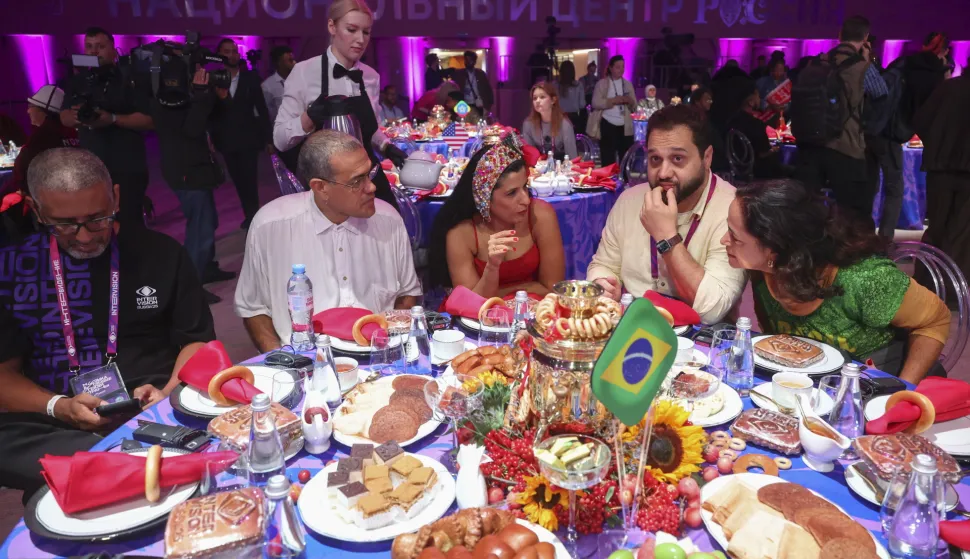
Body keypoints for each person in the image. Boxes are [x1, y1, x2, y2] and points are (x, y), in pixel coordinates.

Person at [0, 148, 215, 501]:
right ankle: (122, 462)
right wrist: (59, 406)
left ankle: (101, 467)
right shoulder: (9, 269)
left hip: (152, 411)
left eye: (98, 218)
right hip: (56, 420)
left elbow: (197, 341)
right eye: (65, 224)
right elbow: (3, 374)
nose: (85, 236)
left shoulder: (161, 253)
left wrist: (167, 392)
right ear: (36, 209)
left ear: (114, 196)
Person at [723, 180, 950, 383]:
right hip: (818, 384)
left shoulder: (863, 278)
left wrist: (904, 389)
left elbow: (936, 319)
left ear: (774, 248)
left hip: (877, 379)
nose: (724, 240)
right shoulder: (765, 270)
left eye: (734, 236)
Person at [235, 130, 421, 353]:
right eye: (356, 181)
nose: (371, 187)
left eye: (369, 174)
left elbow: (408, 294)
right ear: (320, 187)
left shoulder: (388, 220)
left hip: (377, 355)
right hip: (304, 358)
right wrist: (282, 361)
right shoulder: (271, 226)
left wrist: (387, 347)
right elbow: (253, 308)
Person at [588, 105, 746, 324]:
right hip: (633, 330)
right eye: (655, 159)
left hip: (703, 343)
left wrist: (667, 237)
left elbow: (711, 311)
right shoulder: (629, 200)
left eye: (677, 159)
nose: (663, 173)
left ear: (707, 157)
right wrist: (603, 284)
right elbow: (603, 265)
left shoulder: (733, 210)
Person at [273, 0, 404, 211]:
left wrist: (387, 147)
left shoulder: (371, 77)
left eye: (366, 32)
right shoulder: (304, 72)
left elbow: (370, 129)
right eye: (351, 30)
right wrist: (308, 118)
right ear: (332, 27)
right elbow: (279, 140)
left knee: (390, 221)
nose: (360, 40)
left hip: (365, 174)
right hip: (325, 181)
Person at [428, 140, 565, 298]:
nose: (526, 200)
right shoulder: (461, 233)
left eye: (525, 186)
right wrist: (492, 267)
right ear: (484, 198)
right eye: (511, 193)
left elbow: (552, 289)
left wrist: (498, 293)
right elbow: (471, 303)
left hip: (536, 312)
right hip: (479, 319)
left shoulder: (540, 215)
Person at [149, 60, 229, 304]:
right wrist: (202, 95)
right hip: (186, 172)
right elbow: (193, 129)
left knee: (208, 221)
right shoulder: (170, 99)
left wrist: (213, 97)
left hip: (195, 170)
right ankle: (191, 286)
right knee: (200, 230)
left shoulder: (188, 97)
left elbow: (211, 121)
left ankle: (207, 267)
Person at [60, 27, 153, 227]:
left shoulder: (130, 78)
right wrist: (77, 116)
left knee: (129, 225)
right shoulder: (78, 81)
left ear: (113, 49)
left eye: (100, 47)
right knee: (98, 226)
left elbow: (149, 120)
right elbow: (64, 117)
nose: (94, 52)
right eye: (89, 47)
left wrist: (112, 118)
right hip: (92, 170)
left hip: (127, 168)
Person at [792, 15, 872, 224]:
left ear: (839, 36)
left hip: (811, 144)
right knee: (854, 215)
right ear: (865, 37)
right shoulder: (862, 67)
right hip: (846, 148)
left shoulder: (817, 63)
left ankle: (811, 253)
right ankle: (850, 255)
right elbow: (882, 96)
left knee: (809, 212)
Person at [914, 69, 970, 285]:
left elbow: (920, 120)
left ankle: (926, 282)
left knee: (937, 226)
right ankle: (953, 287)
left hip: (939, 169)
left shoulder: (947, 88)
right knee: (962, 232)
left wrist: (937, 145)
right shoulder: (948, 87)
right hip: (965, 173)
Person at [211, 38, 273, 230]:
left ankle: (253, 215)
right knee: (237, 179)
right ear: (219, 54)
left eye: (234, 51)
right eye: (226, 51)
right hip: (226, 139)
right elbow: (210, 112)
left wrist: (268, 138)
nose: (231, 55)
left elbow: (262, 109)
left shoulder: (250, 78)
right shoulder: (214, 79)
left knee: (249, 178)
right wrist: (210, 137)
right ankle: (249, 213)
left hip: (248, 138)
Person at [5, 86, 79, 199]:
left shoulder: (42, 137)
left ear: (43, 110)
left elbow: (21, 172)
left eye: (31, 106)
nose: (27, 111)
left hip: (45, 199)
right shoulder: (74, 133)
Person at [718, 78, 792, 179]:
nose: (759, 99)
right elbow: (763, 152)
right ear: (751, 102)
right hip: (758, 173)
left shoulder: (730, 121)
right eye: (757, 95)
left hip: (736, 171)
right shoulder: (754, 124)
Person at [592, 55, 637, 167]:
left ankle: (625, 181)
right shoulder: (602, 84)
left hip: (625, 125)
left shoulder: (627, 84)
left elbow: (635, 106)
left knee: (625, 157)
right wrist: (612, 101)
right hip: (607, 123)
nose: (621, 70)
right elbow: (595, 102)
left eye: (623, 67)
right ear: (610, 68)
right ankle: (609, 181)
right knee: (608, 157)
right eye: (617, 67)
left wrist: (629, 101)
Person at [522, 83, 578, 160]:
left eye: (542, 97)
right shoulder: (528, 124)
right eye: (535, 98)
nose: (537, 101)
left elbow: (573, 158)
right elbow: (530, 157)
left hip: (562, 169)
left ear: (553, 100)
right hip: (538, 169)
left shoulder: (565, 124)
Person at [261, 45, 296, 125]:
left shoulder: (298, 80)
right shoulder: (268, 86)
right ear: (280, 63)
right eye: (290, 60)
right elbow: (265, 114)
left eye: (293, 59)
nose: (294, 63)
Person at [453, 51, 493, 115]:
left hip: (478, 104)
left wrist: (488, 106)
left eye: (470, 60)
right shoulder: (459, 74)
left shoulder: (480, 74)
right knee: (464, 123)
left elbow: (488, 90)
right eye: (466, 60)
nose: (467, 62)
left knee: (478, 122)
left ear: (474, 61)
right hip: (463, 104)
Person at [556, 61, 587, 134]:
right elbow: (582, 104)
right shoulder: (579, 85)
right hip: (574, 118)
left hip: (558, 117)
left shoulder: (555, 85)